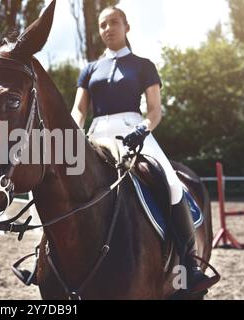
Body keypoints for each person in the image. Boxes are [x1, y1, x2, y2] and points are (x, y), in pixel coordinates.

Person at [71, 6, 218, 294]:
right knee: (59, 180)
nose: (107, 29)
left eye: (114, 22)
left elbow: (155, 111)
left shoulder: (143, 65)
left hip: (135, 131)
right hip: (96, 133)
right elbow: (78, 109)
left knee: (173, 185)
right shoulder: (89, 69)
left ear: (127, 26)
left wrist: (143, 130)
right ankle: (42, 257)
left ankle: (188, 266)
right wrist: (72, 133)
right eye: (102, 25)